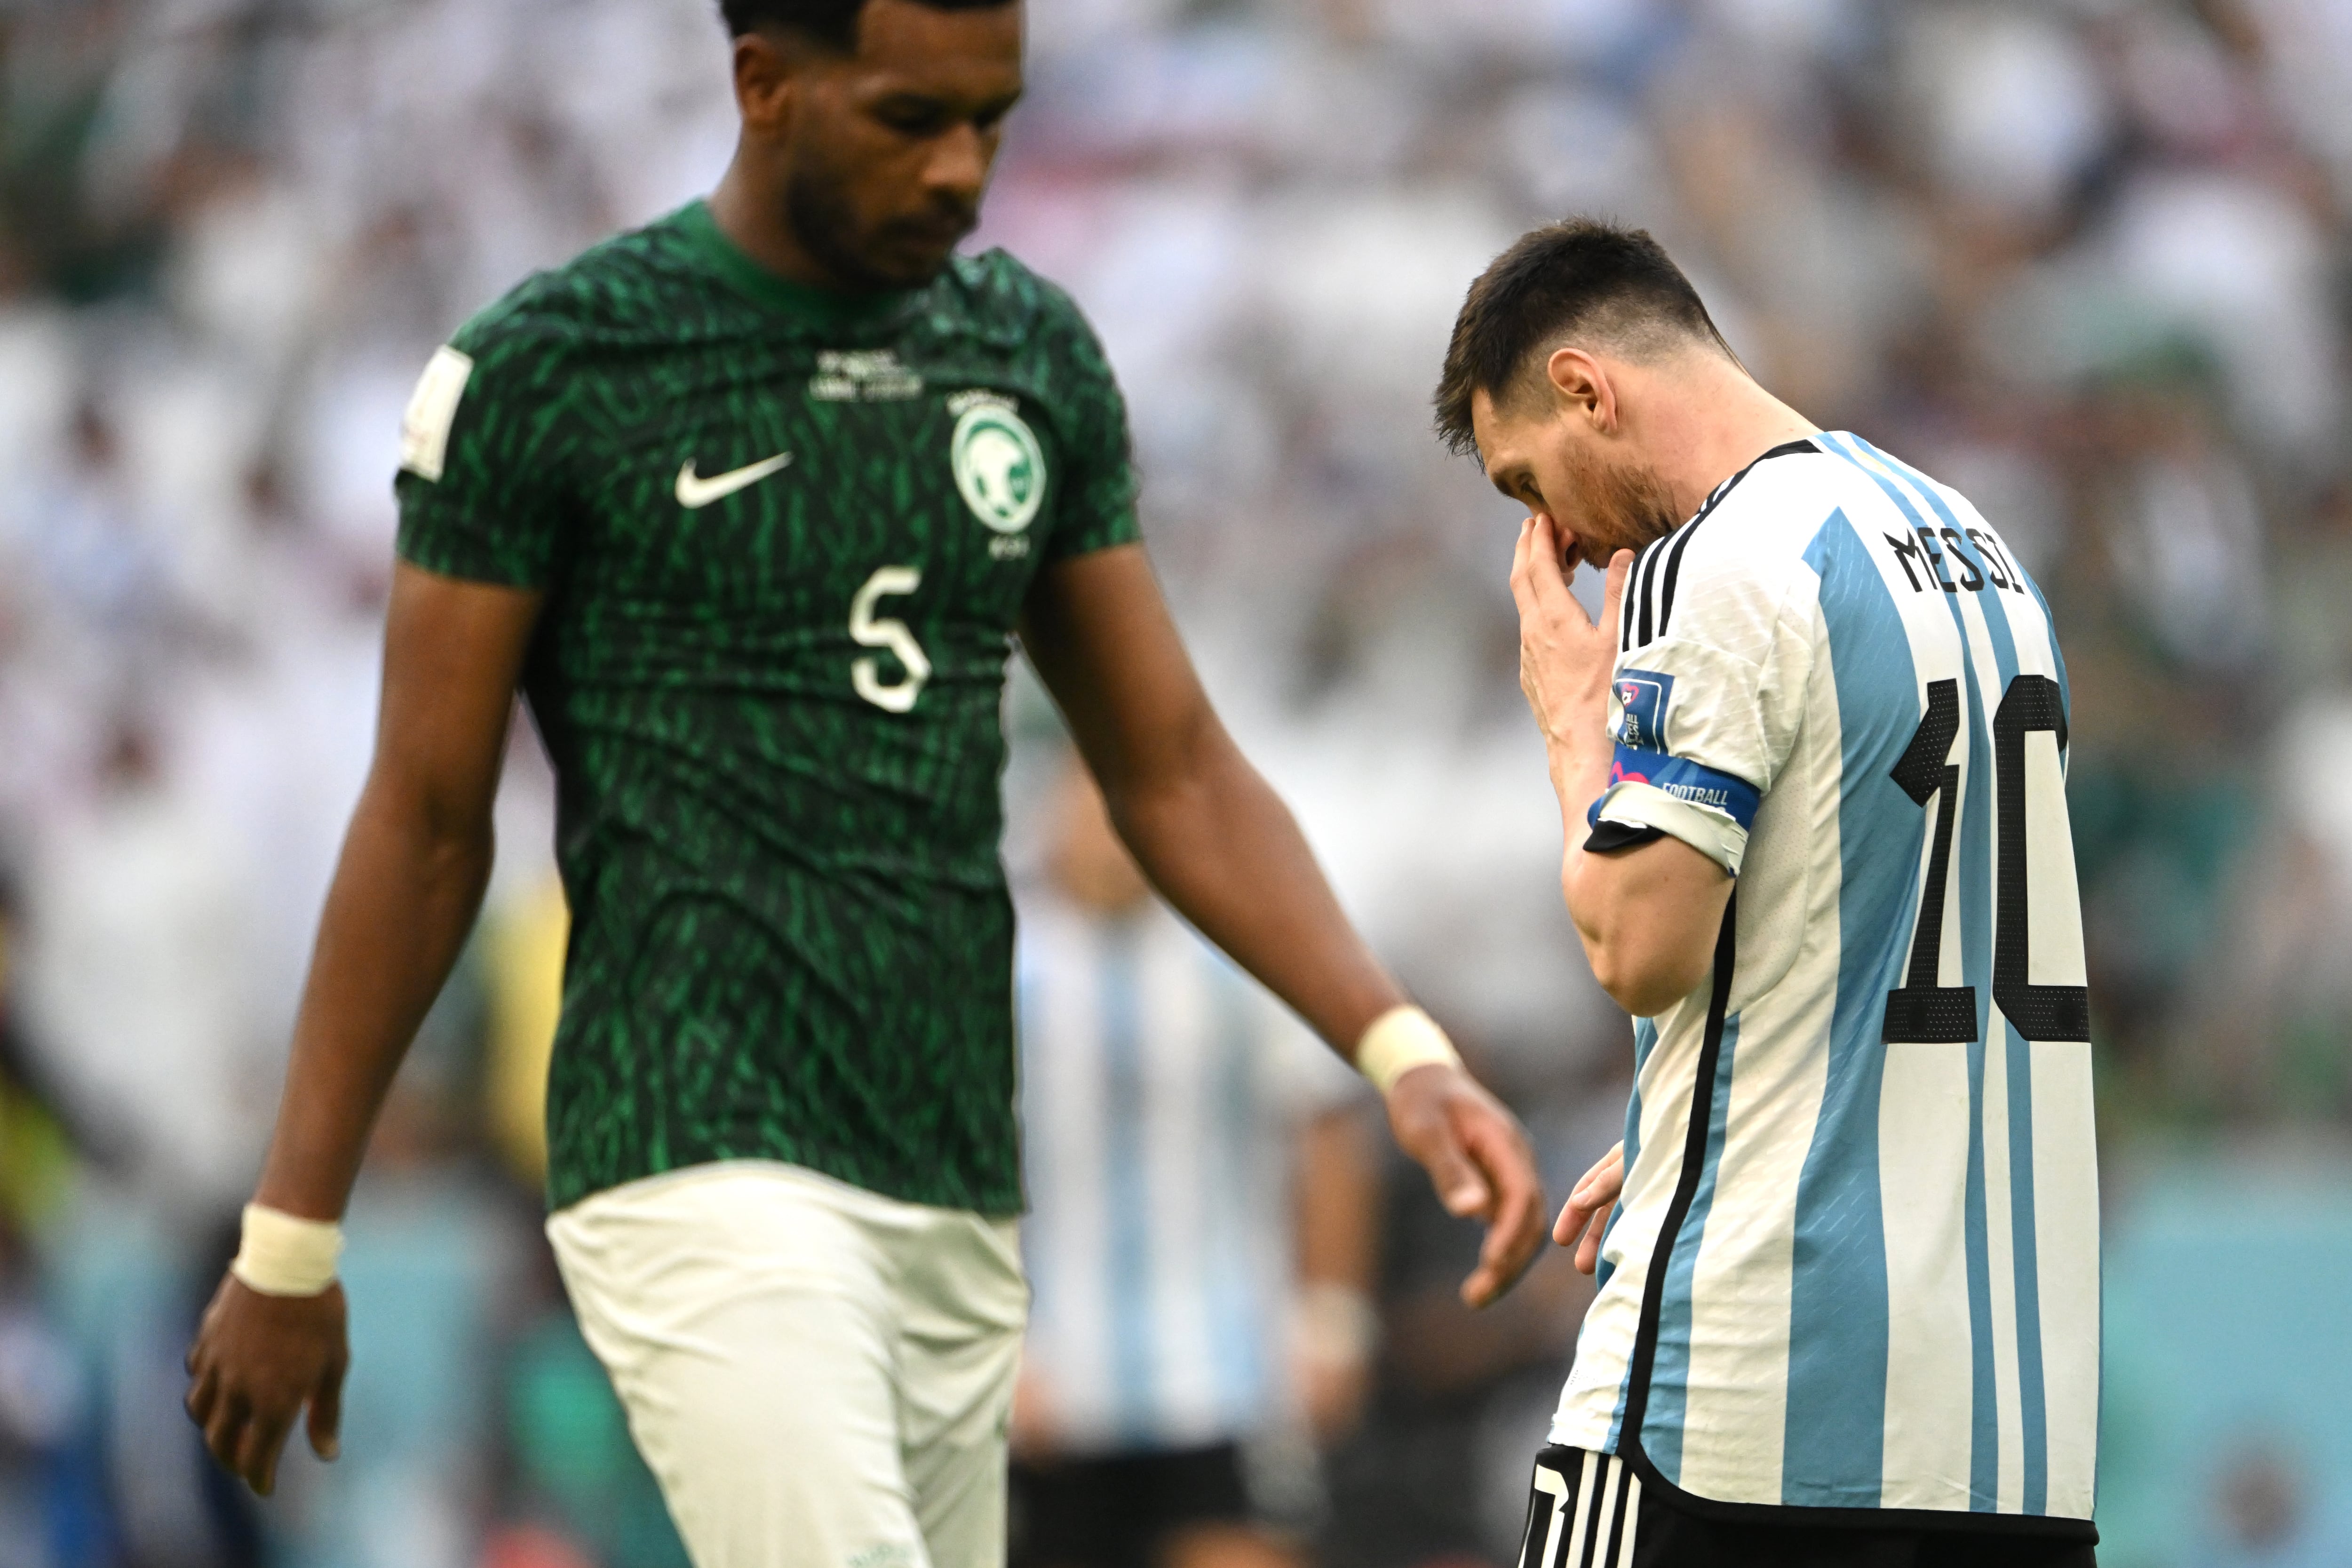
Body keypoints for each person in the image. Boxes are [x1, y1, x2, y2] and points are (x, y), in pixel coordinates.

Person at [181, 4, 1549, 1567]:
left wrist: (1395, 1041)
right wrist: (291, 1235)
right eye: (912, 120)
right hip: (692, 1146)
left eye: (993, 119)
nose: (962, 169)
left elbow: (1172, 765)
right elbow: (424, 821)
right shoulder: (556, 371)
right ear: (765, 83)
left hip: (952, 1179)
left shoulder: (1023, 356)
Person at [1437, 221, 2099, 1566]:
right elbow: (1926, 929)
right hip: (2003, 1437)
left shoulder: (1721, 558)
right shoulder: (1971, 542)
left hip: (1741, 1407)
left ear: (1584, 387)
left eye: (1526, 477)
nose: (1548, 530)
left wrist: (1574, 725)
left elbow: (1639, 945)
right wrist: (1730, 1102)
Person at [1009, 755, 1379, 1568]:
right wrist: (988, 1349)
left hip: (1229, 1376)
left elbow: (1325, 1129)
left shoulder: (1240, 957)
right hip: (1053, 1384)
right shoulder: (1006, 968)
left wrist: (1332, 1322)